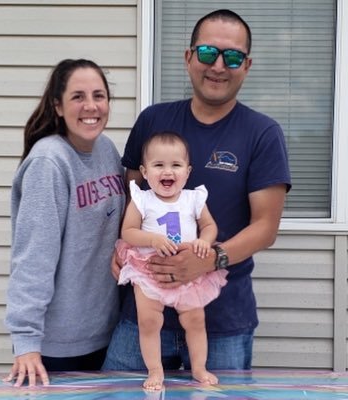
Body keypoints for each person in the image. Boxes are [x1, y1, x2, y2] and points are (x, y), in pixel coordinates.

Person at [103, 9, 291, 373]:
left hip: (221, 322)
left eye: (232, 56)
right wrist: (122, 246)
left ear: (247, 65)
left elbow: (265, 228)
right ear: (189, 57)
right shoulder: (153, 121)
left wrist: (207, 259)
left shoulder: (263, 133)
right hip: (143, 308)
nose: (218, 65)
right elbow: (133, 199)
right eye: (207, 53)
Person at [4, 58, 126, 387]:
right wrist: (27, 341)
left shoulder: (107, 150)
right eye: (78, 97)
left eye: (99, 96)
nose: (91, 106)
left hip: (105, 332)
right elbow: (34, 256)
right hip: (56, 344)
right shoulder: (49, 162)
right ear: (58, 106)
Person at [116, 131, 228, 390]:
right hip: (149, 269)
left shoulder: (193, 198)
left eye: (176, 165)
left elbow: (209, 226)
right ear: (144, 171)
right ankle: (155, 371)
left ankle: (199, 368)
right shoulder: (142, 199)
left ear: (187, 172)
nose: (168, 172)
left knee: (195, 319)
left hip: (188, 271)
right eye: (159, 165)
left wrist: (204, 241)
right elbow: (128, 232)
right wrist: (153, 240)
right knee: (149, 320)